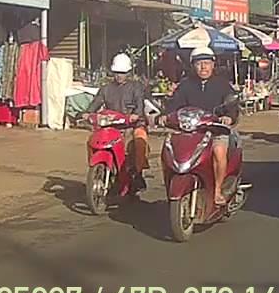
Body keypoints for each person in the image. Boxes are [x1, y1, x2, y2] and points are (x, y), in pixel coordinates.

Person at [165, 46, 240, 205]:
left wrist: (228, 117)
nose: (203, 67)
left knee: (219, 152)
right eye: (199, 64)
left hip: (215, 130)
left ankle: (217, 190)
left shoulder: (222, 85)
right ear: (193, 66)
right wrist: (165, 116)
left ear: (213, 64)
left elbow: (232, 106)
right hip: (191, 131)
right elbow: (174, 104)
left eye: (206, 63)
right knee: (170, 150)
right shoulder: (185, 85)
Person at [87, 53, 150, 191]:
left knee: (139, 141)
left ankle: (137, 173)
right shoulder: (106, 88)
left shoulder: (136, 87)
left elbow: (140, 104)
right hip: (112, 125)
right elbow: (96, 102)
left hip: (132, 125)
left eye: (122, 73)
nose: (119, 76)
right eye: (116, 72)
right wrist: (87, 113)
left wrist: (136, 115)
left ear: (128, 72)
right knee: (92, 140)